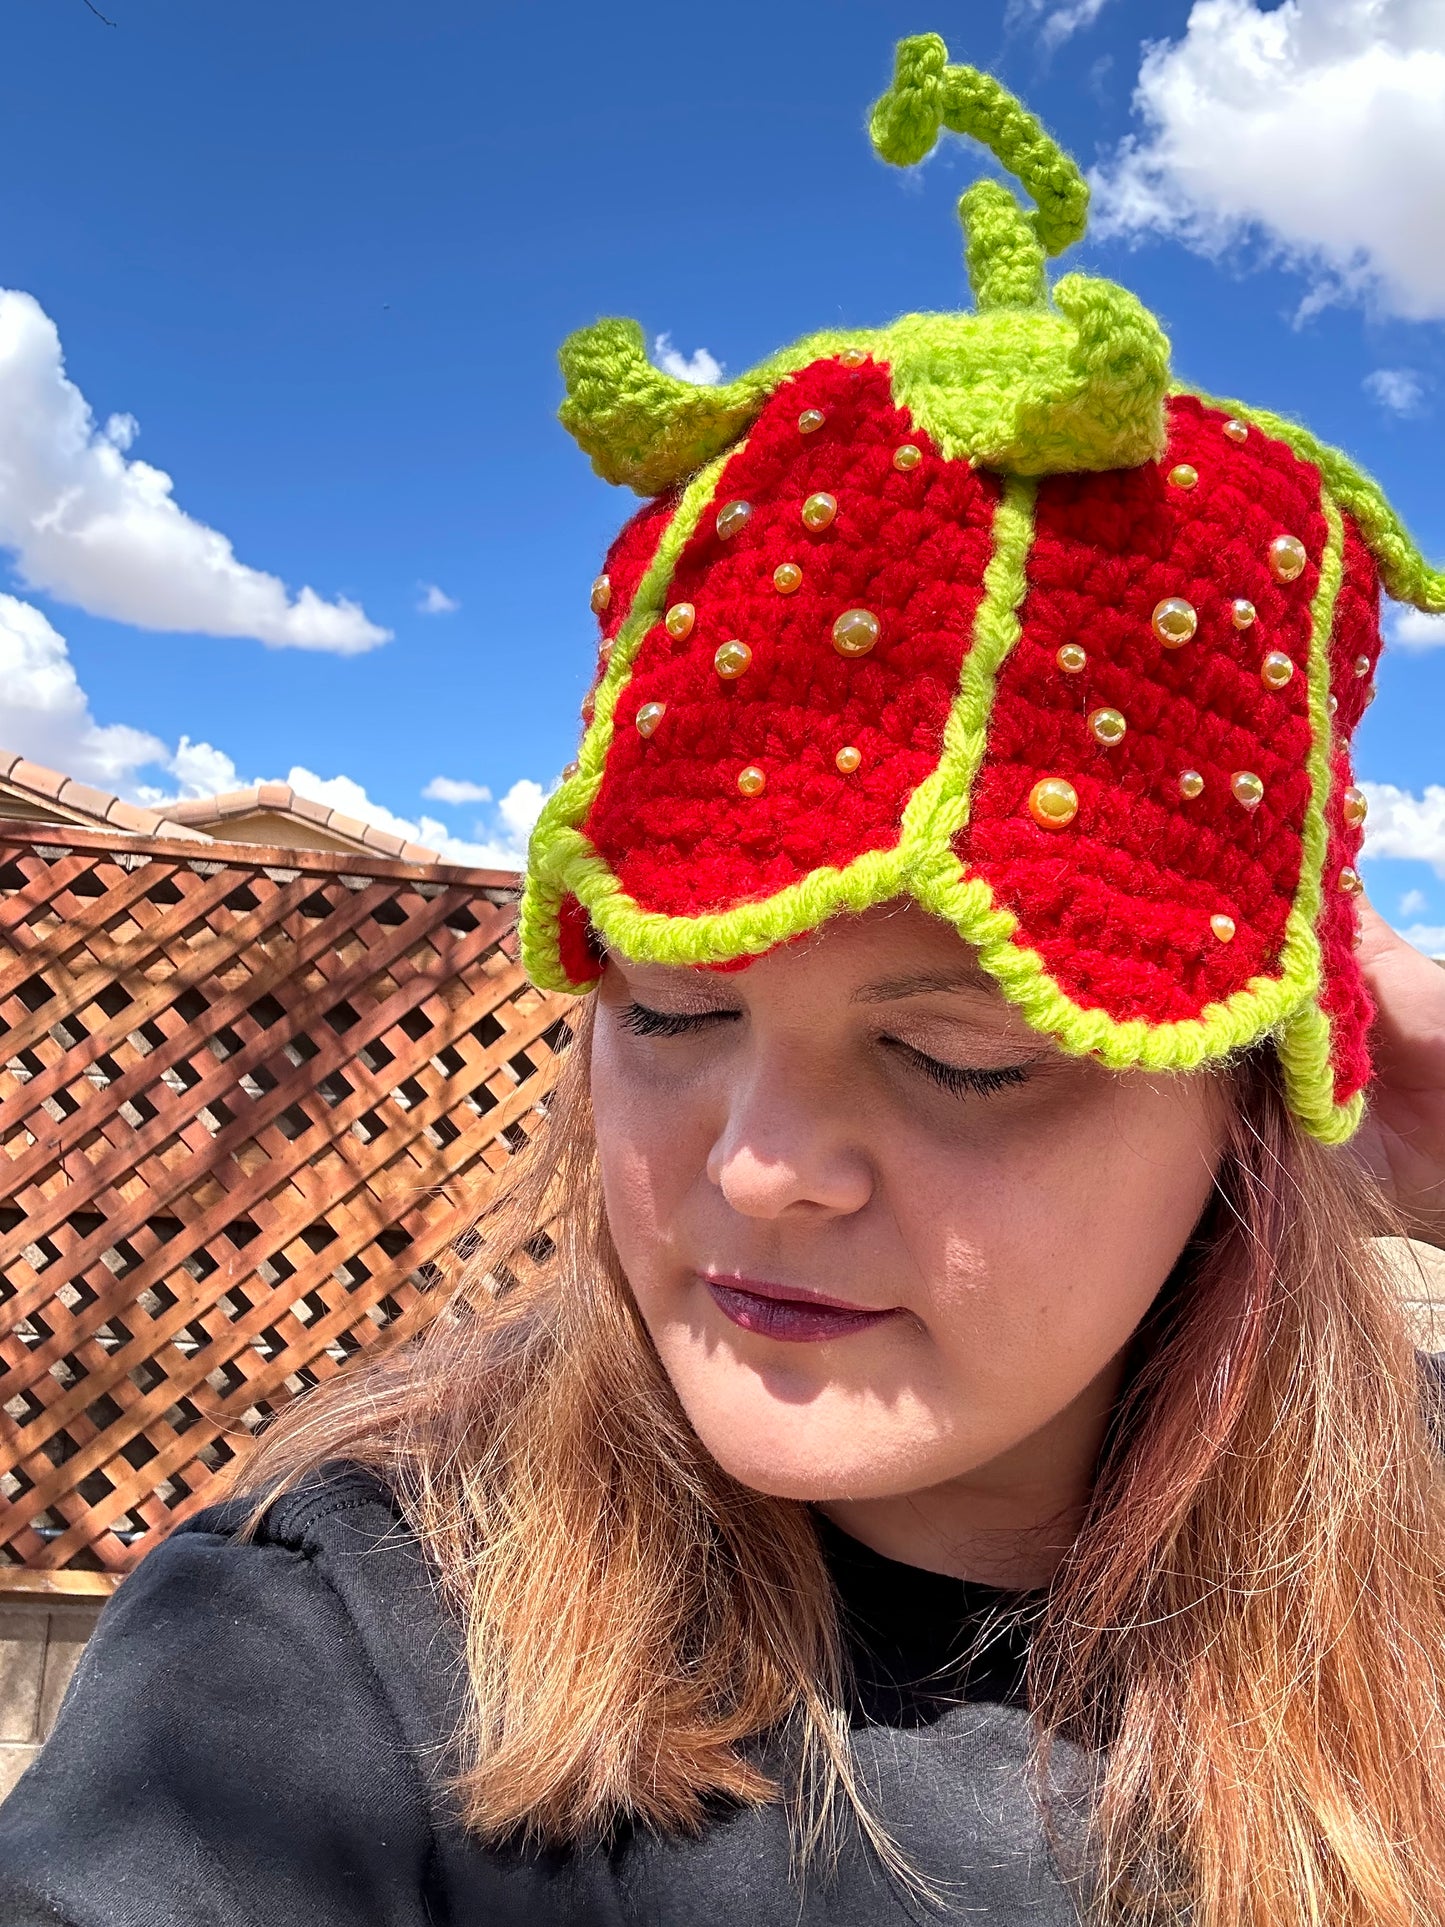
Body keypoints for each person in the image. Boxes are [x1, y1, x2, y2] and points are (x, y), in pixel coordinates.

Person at [5, 33, 1445, 1927]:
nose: (761, 1166)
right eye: (668, 1014)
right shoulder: (318, 1670)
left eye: (958, 1052)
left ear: (1250, 1093)